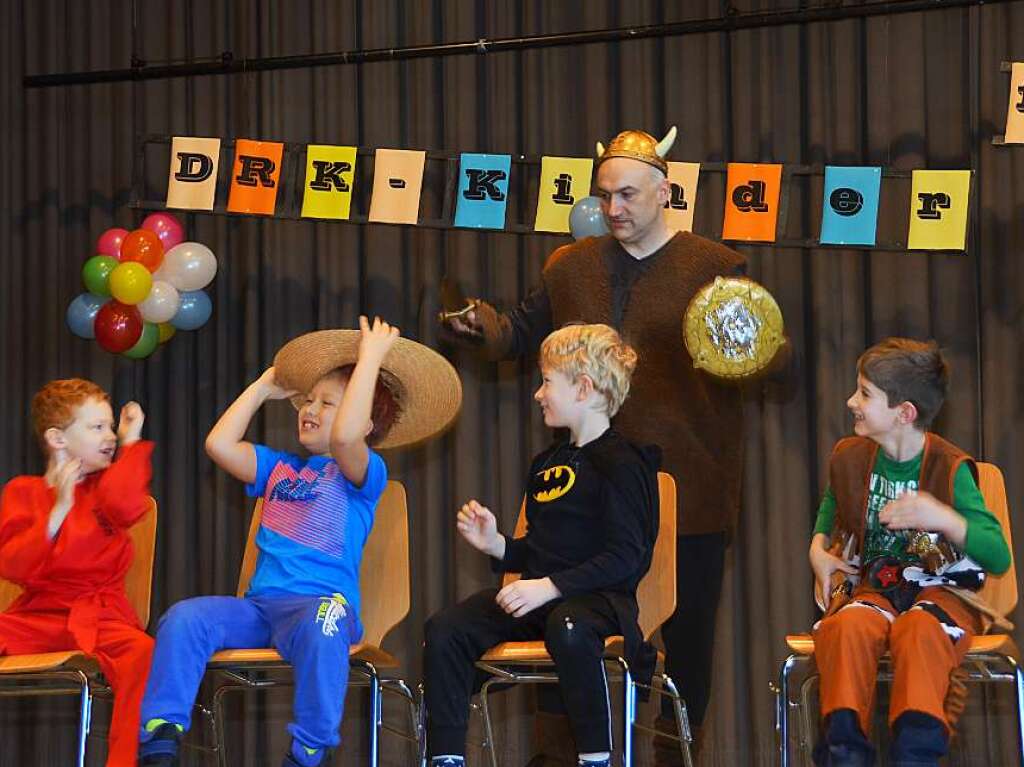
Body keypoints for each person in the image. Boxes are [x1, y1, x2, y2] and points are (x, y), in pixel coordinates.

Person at [442, 126, 785, 764]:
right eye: (604, 196)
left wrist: (761, 353)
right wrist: (481, 328)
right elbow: (524, 331)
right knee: (563, 629)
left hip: (688, 490)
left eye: (627, 194)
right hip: (583, 497)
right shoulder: (569, 267)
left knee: (684, 646)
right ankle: (560, 757)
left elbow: (758, 349)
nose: (613, 209)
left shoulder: (714, 266)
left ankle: (672, 756)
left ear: (665, 191)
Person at [137, 316, 461, 767]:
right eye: (308, 399)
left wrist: (369, 360)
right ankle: (160, 737)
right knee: (185, 618)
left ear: (364, 421)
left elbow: (347, 435)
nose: (310, 408)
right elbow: (219, 444)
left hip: (319, 606)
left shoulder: (362, 476)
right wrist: (262, 388)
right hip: (259, 609)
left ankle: (308, 749)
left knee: (324, 625)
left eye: (328, 402)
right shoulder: (279, 468)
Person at [423, 323, 660, 767]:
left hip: (597, 601)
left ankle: (594, 757)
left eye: (548, 381)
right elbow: (541, 550)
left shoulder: (625, 463)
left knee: (567, 626)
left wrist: (550, 587)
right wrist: (498, 545)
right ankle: (446, 757)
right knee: (446, 629)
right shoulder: (546, 463)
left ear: (584, 388)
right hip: (544, 598)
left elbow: (627, 556)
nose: (538, 393)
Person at [808, 338, 1010, 767]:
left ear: (904, 413)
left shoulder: (948, 468)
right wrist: (818, 552)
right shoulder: (850, 459)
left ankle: (915, 753)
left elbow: (998, 556)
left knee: (919, 632)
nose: (851, 402)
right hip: (878, 589)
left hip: (939, 595)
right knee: (847, 628)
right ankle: (845, 750)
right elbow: (831, 507)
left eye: (864, 393)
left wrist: (940, 515)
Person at [0, 378, 154, 767]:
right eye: (97, 427)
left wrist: (132, 441)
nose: (110, 436)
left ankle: (123, 762)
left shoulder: (106, 488)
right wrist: (58, 511)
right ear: (57, 438)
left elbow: (127, 506)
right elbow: (14, 566)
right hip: (38, 616)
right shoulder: (23, 491)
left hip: (100, 616)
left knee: (141, 652)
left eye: (110, 427)